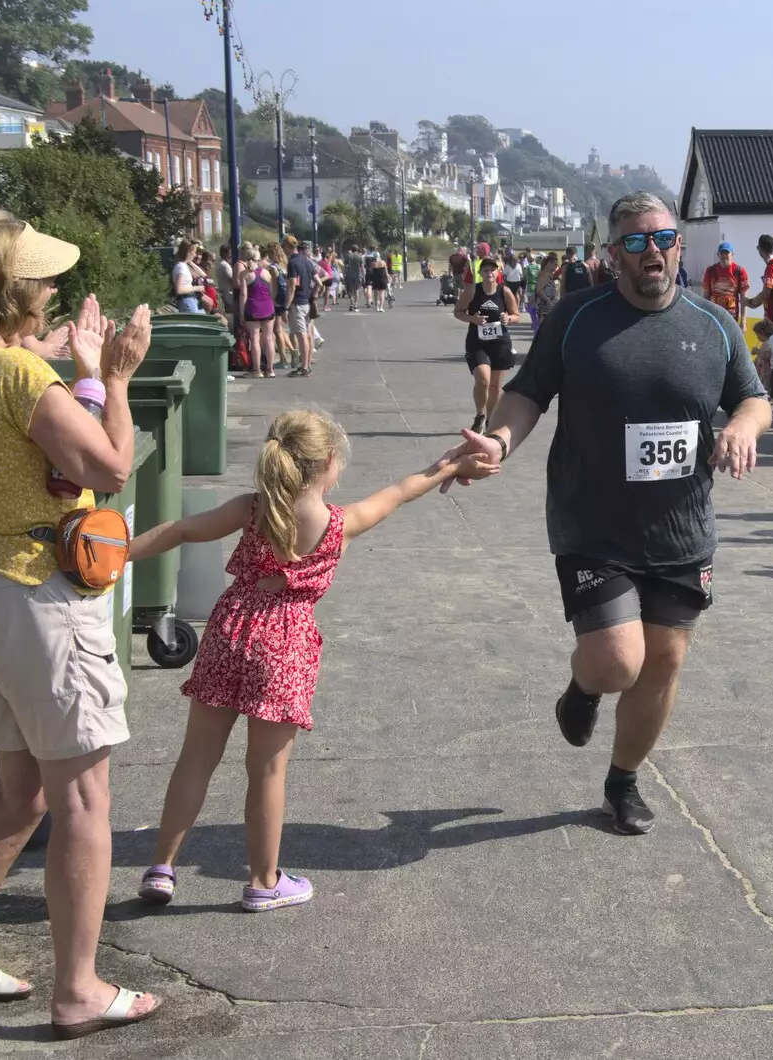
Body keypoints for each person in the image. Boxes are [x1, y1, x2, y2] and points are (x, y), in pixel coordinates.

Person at [439, 192, 771, 835]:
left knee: (664, 661)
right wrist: (499, 441)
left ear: (679, 245)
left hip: (681, 527)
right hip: (592, 523)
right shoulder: (577, 317)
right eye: (636, 241)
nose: (652, 252)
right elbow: (527, 395)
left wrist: (745, 428)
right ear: (614, 253)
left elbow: (754, 400)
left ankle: (622, 782)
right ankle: (585, 688)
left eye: (663, 238)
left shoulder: (713, 325)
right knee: (620, 661)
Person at [0, 211, 161, 1040]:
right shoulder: (21, 379)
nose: (52, 289)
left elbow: (14, 412)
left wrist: (57, 364)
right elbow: (111, 468)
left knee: (18, 790)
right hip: (36, 596)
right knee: (83, 797)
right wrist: (115, 379)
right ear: (13, 293)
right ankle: (80, 989)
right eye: (41, 280)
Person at [132, 411, 499, 911]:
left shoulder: (252, 508)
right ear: (329, 463)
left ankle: (162, 868)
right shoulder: (338, 524)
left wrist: (115, 553)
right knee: (266, 771)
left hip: (231, 625)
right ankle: (264, 882)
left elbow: (180, 531)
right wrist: (447, 467)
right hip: (285, 643)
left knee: (197, 757)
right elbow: (400, 491)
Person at [456, 257, 521, 432]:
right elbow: (458, 312)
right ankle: (480, 415)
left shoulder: (504, 292)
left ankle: (491, 420)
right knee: (483, 380)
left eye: (492, 270)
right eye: (485, 270)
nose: (489, 273)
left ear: (498, 272)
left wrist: (508, 318)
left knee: (495, 387)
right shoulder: (472, 291)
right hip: (477, 343)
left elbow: (516, 315)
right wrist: (473, 319)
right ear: (480, 273)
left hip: (500, 343)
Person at [240, 245, 278, 379]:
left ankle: (256, 370)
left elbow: (243, 295)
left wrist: (241, 312)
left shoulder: (244, 275)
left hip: (252, 308)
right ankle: (270, 369)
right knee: (268, 339)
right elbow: (272, 292)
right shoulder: (266, 273)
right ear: (257, 258)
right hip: (268, 307)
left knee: (254, 339)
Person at [284, 236, 317, 377]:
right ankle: (307, 365)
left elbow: (291, 287)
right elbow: (319, 282)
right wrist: (313, 296)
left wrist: (286, 308)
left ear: (287, 247)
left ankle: (303, 367)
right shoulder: (308, 262)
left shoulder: (292, 263)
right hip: (307, 302)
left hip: (297, 303)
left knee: (301, 335)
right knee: (307, 335)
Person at [701, 241, 750, 328]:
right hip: (714, 315)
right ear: (718, 255)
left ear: (732, 255)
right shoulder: (710, 271)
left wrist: (743, 321)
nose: (724, 256)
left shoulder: (739, 271)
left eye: (727, 253)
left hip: (731, 316)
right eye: (722, 253)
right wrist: (704, 316)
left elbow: (744, 298)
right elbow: (705, 295)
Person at [744, 233, 773, 323]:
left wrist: (750, 301)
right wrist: (755, 304)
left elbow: (766, 293)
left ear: (759, 249)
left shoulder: (771, 268)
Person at [171, 239, 205, 314]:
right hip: (187, 301)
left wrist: (189, 261)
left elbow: (203, 274)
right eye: (194, 252)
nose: (195, 255)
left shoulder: (184, 265)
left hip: (191, 300)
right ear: (188, 252)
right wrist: (197, 288)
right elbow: (179, 290)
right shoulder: (181, 267)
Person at [535, 251, 561, 321]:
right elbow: (538, 290)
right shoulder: (545, 275)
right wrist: (548, 301)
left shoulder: (548, 274)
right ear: (549, 263)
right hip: (545, 308)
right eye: (555, 264)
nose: (557, 266)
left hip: (549, 307)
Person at [750, 319, 773, 393]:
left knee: (768, 389)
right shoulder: (766, 342)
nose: (757, 337)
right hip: (764, 372)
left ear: (762, 332)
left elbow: (767, 356)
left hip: (768, 372)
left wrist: (757, 351)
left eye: (757, 335)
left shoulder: (769, 343)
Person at [522, 252, 543, 329]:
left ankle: (534, 321)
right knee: (538, 304)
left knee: (531, 305)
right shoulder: (539, 266)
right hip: (538, 286)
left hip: (530, 286)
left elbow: (524, 277)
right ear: (535, 259)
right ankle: (538, 320)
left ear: (527, 259)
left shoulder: (526, 268)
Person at [344, 244, 366, 312]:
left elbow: (345, 266)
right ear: (357, 249)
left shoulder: (348, 256)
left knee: (351, 290)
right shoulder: (360, 257)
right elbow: (362, 267)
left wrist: (345, 274)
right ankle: (356, 305)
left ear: (351, 249)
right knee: (357, 290)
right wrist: (364, 276)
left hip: (350, 275)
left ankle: (351, 303)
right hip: (358, 275)